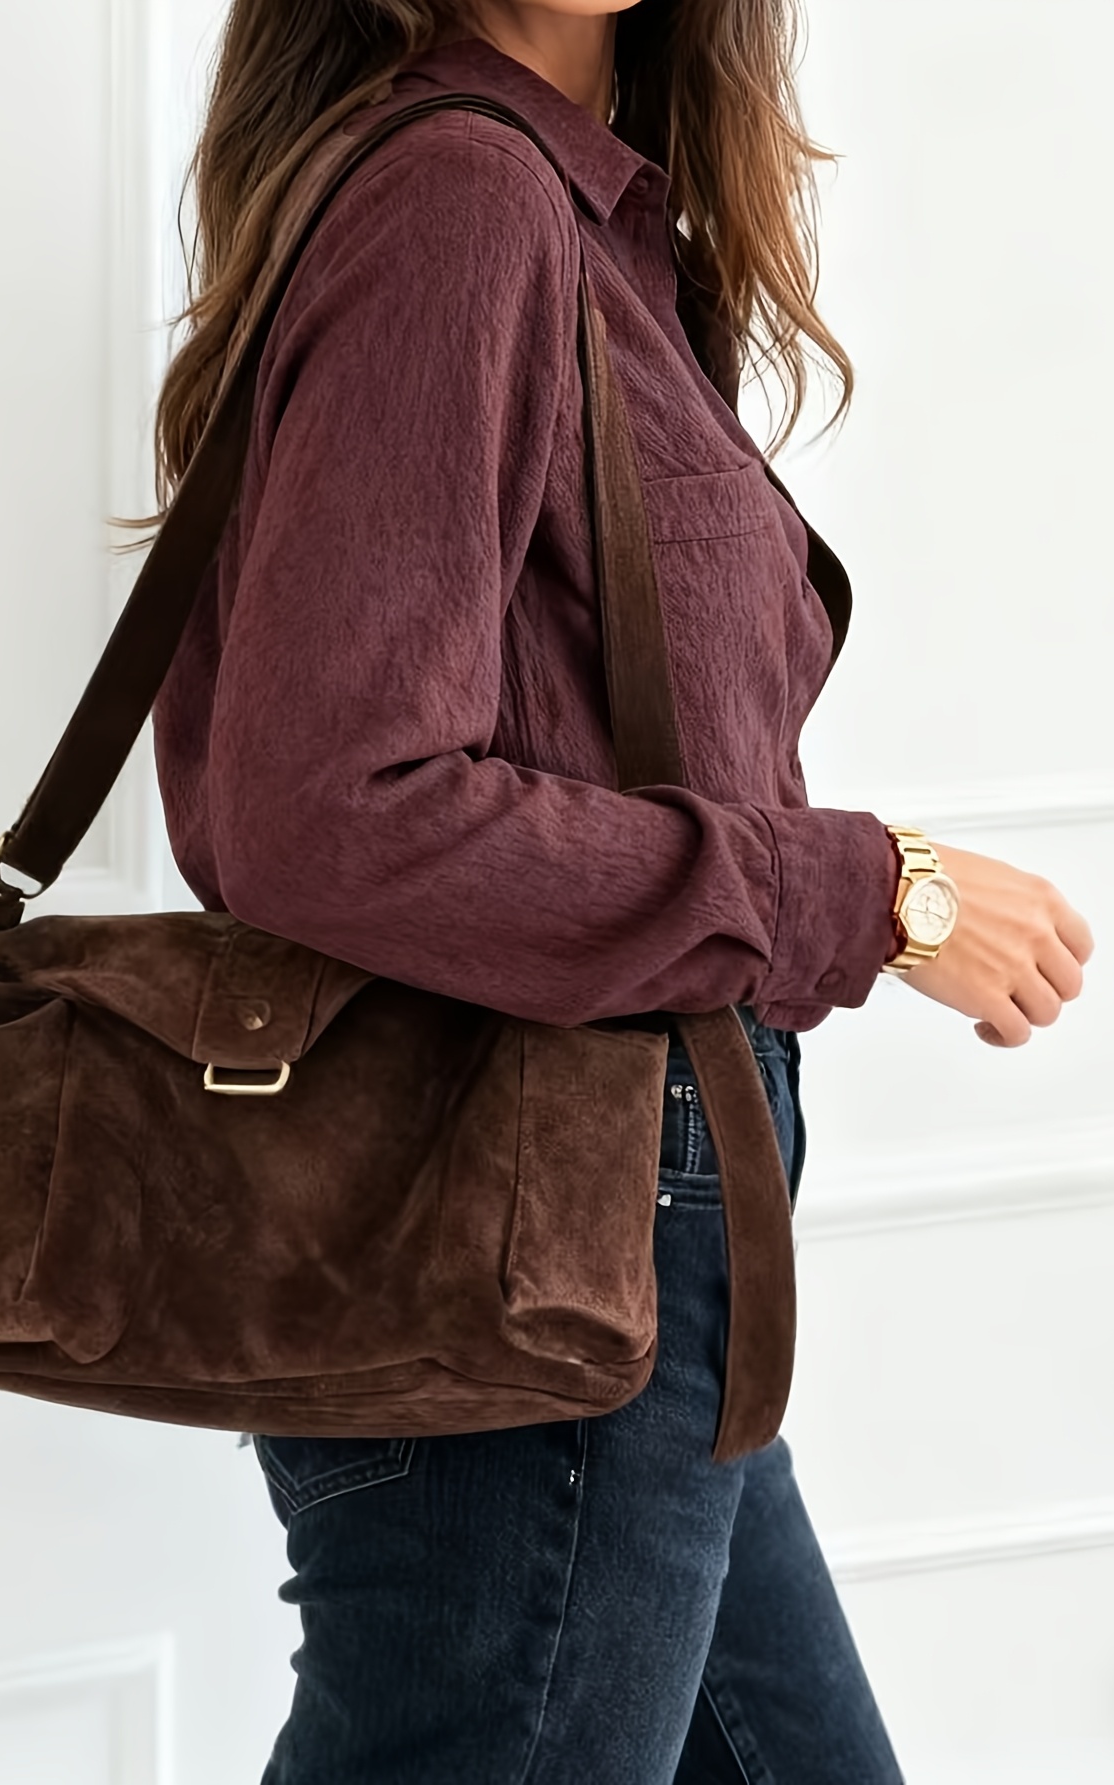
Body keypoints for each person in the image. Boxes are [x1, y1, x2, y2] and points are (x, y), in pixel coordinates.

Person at [149, 3, 1095, 1779]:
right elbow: (326, 806)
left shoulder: (580, 215)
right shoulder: (461, 194)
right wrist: (874, 890)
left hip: (620, 1245)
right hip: (532, 1231)